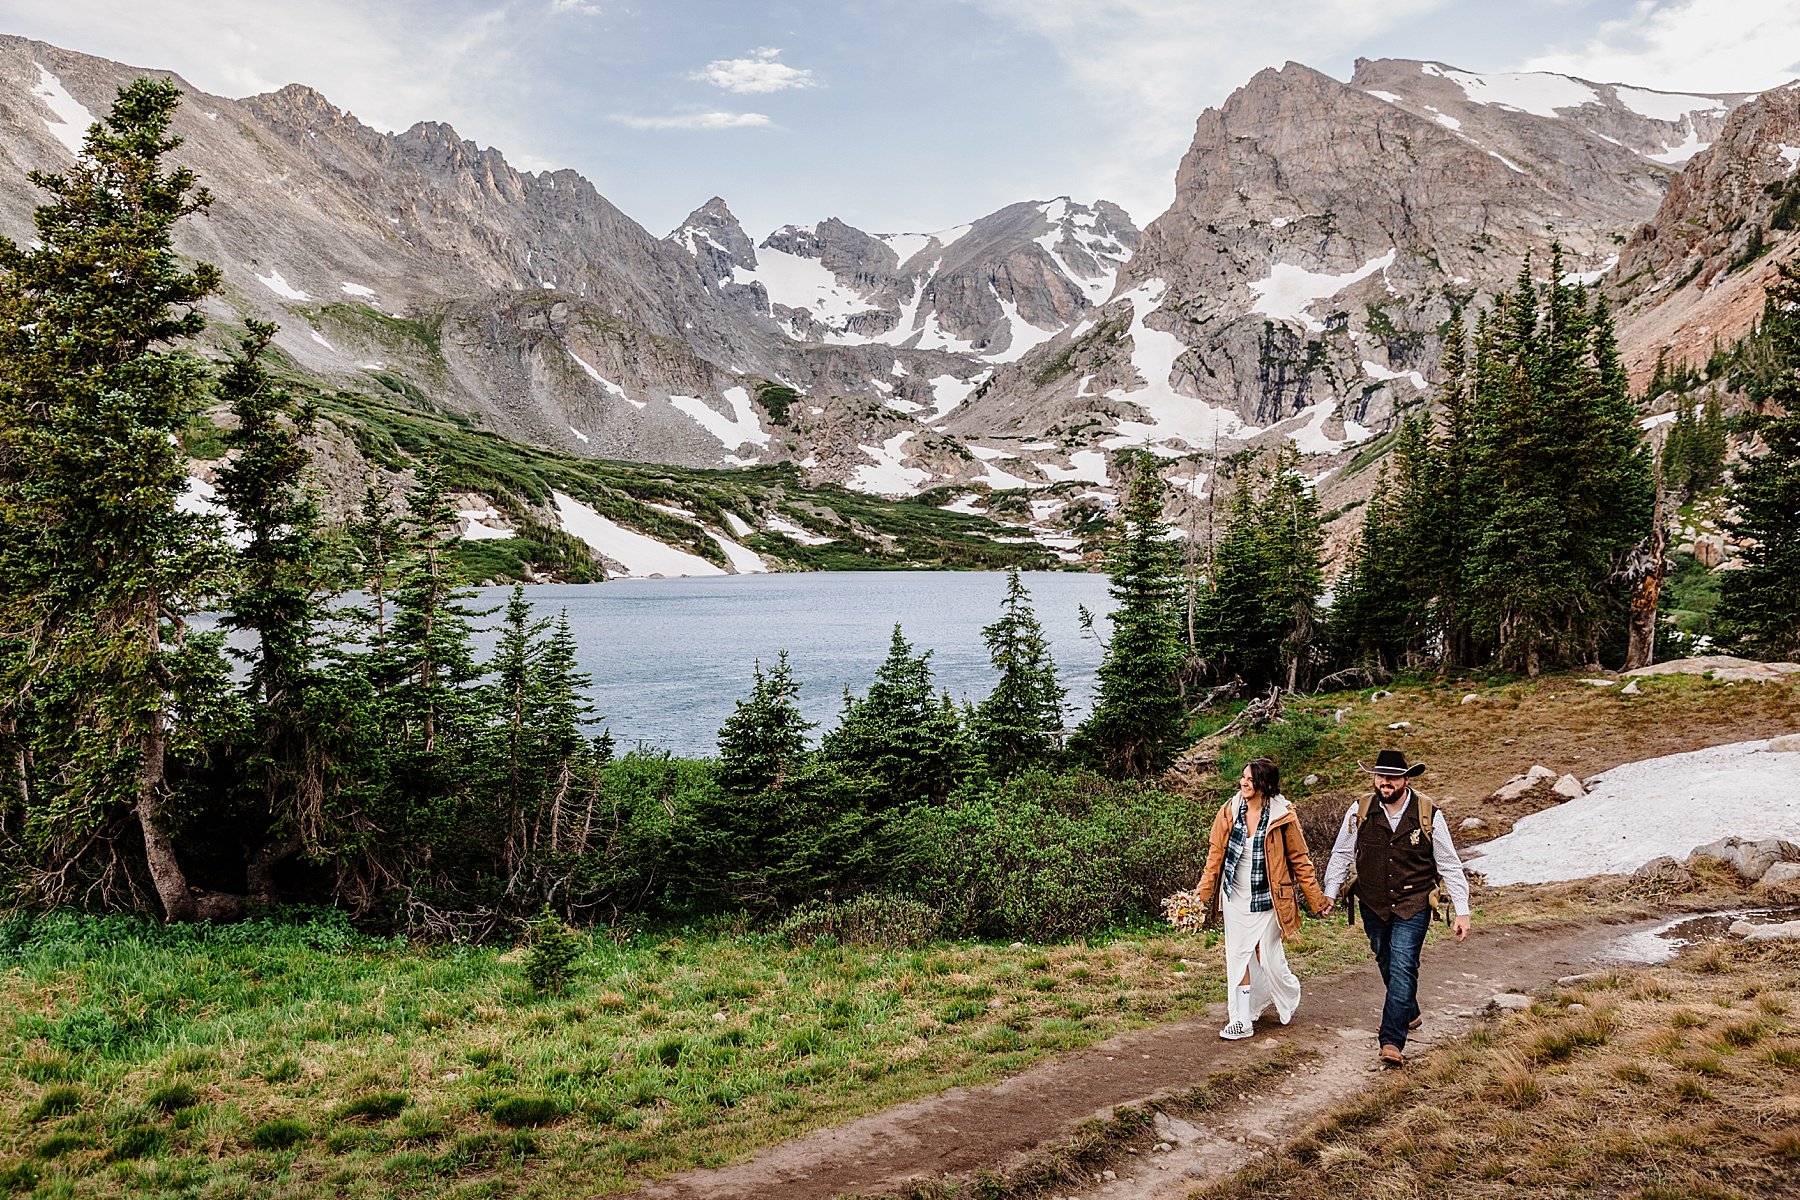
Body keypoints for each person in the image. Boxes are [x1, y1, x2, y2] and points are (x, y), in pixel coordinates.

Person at [1321, 748, 1472, 1069]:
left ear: (1405, 779)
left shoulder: (1429, 814)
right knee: (1385, 958)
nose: (1384, 782)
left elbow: (1448, 864)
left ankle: (1391, 1040)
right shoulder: (1359, 810)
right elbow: (1341, 854)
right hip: (1372, 902)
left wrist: (1462, 910)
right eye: (1380, 776)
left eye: (1391, 777)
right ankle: (1409, 1011)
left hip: (1413, 902)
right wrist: (1330, 893)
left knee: (1403, 965)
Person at [1193, 757, 1329, 1040]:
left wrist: (1316, 900)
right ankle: (1241, 1019)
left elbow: (1300, 861)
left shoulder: (1283, 815)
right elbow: (1215, 854)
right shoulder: (1230, 810)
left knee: (1267, 958)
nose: (1243, 783)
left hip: (1269, 901)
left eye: (1250, 779)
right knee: (1238, 956)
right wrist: (1203, 892)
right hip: (1235, 897)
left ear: (1265, 785)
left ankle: (1285, 990)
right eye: (1243, 777)